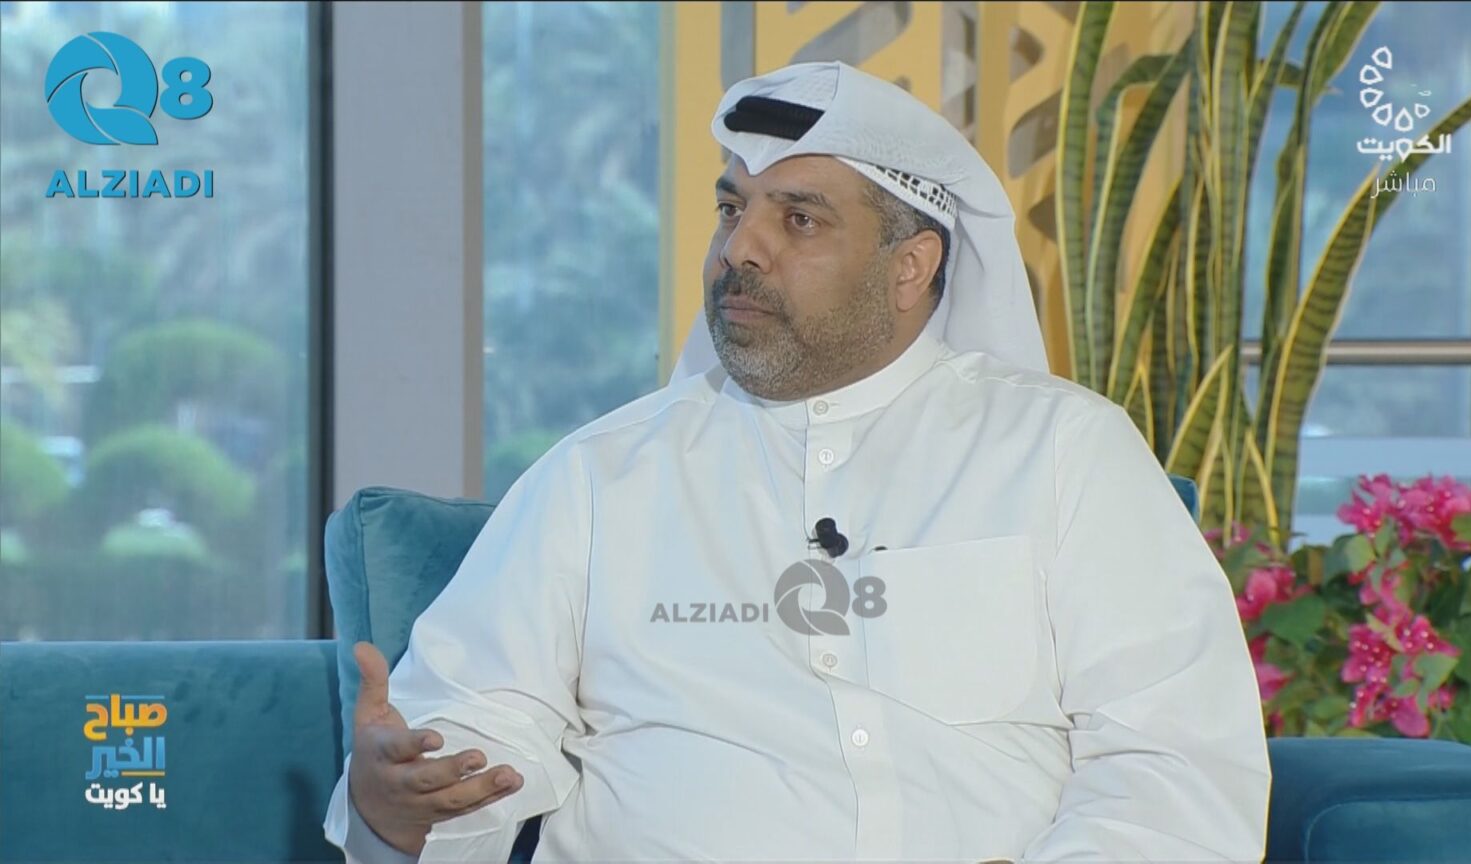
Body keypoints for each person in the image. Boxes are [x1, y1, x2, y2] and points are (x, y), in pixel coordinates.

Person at [323, 61, 1271, 863]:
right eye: (731, 209)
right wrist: (401, 804)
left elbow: (1174, 765)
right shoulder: (600, 476)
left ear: (911, 266)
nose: (741, 250)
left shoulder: (1065, 453)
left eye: (800, 219)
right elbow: (473, 729)